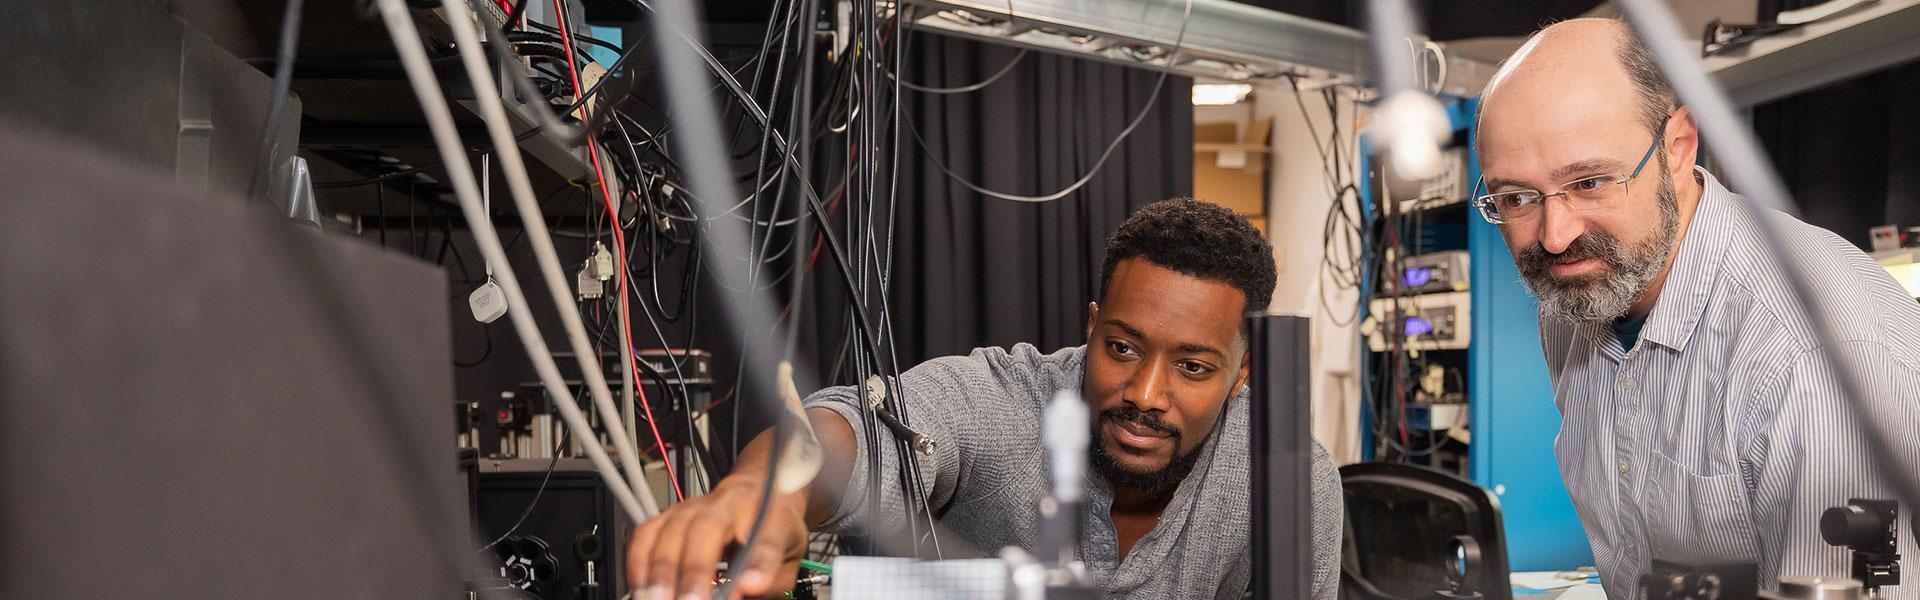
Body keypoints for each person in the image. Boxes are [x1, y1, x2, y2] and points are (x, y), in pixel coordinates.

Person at [622, 198, 1343, 599]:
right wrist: (763, 493)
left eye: (1192, 367)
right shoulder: (1009, 403)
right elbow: (850, 430)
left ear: (1242, 374)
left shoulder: (1288, 479)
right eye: (1121, 348)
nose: (1145, 394)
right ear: (1090, 330)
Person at [1474, 18, 1920, 598]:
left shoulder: (1811, 355)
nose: (1556, 235)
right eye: (1517, 197)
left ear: (1679, 148)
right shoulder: (1579, 292)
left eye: (1589, 183)